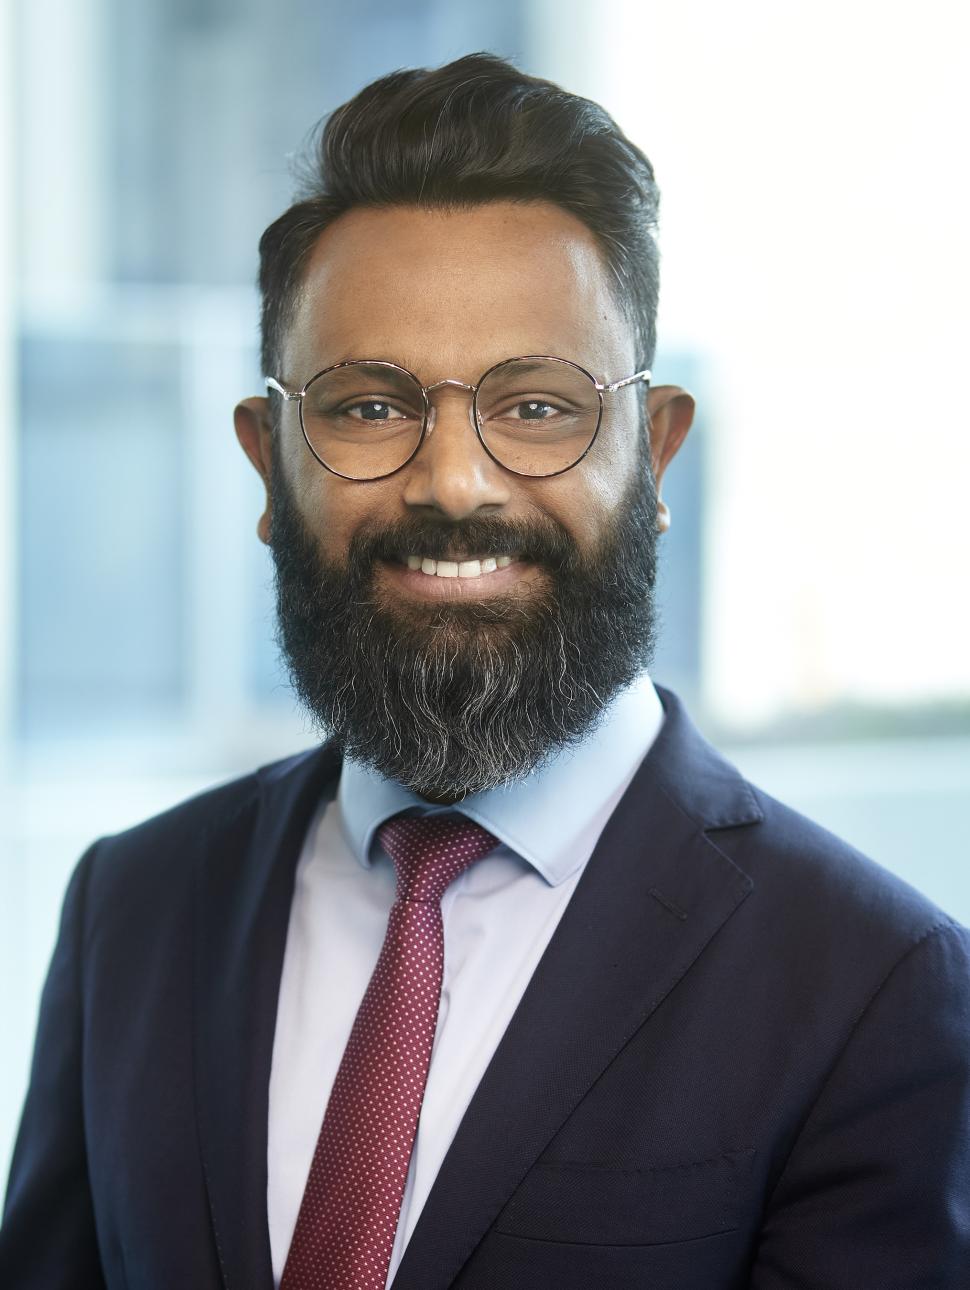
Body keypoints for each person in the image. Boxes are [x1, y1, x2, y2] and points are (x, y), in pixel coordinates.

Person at [2, 52, 968, 1290]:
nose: (453, 483)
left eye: (537, 408)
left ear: (655, 456)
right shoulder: (130, 912)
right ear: (264, 463)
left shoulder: (866, 989)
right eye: (365, 408)